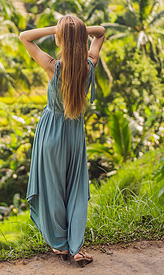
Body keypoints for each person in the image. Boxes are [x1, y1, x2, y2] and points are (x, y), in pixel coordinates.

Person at [19, 15, 105, 267]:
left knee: (53, 190)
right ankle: (77, 249)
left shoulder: (52, 65)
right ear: (80, 39)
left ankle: (60, 245)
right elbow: (101, 32)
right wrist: (77, 31)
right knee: (75, 190)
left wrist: (61, 30)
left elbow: (24, 37)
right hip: (74, 135)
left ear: (60, 39)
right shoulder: (90, 63)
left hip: (50, 132)